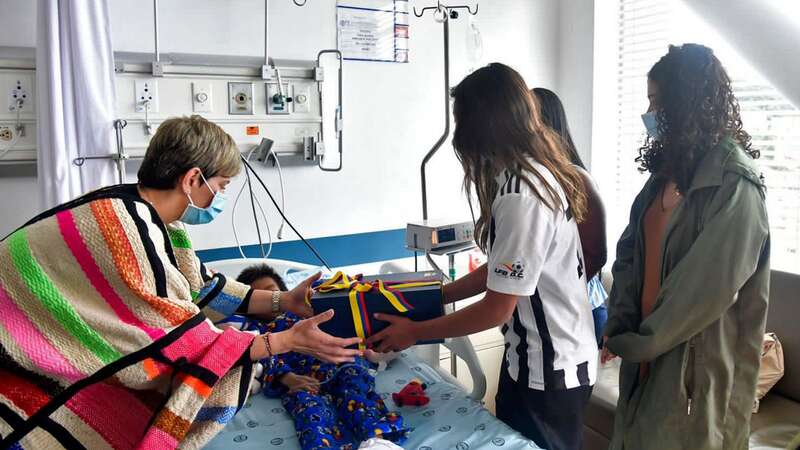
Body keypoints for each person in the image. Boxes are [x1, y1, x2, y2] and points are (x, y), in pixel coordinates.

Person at [0, 115, 361, 449]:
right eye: (221, 185)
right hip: (13, 367)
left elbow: (200, 288)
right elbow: (182, 343)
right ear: (191, 179)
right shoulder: (122, 227)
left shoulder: (149, 217)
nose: (219, 197)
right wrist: (285, 340)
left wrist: (284, 302)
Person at [367, 63, 598, 450]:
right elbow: (504, 268)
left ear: (480, 124)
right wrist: (436, 297)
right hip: (537, 361)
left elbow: (496, 309)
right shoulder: (529, 176)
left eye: (461, 121)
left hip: (550, 369)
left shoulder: (523, 193)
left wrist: (414, 333)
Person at [602, 44, 770, 450]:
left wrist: (632, 343)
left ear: (688, 104)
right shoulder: (662, 179)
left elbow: (701, 293)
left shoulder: (734, 185)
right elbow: (629, 259)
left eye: (657, 102)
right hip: (644, 358)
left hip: (695, 375)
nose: (649, 114)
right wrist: (618, 326)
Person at [221, 264, 409, 450]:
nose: (271, 300)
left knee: (355, 395)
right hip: (302, 378)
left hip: (341, 365)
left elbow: (342, 327)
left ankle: (379, 441)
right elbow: (260, 357)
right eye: (261, 297)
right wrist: (286, 377)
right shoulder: (257, 331)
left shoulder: (309, 313)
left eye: (272, 292)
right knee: (309, 409)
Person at [532, 87, 609, 345]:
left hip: (581, 310)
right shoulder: (534, 180)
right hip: (553, 313)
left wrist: (557, 295)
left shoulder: (575, 178)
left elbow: (596, 254)